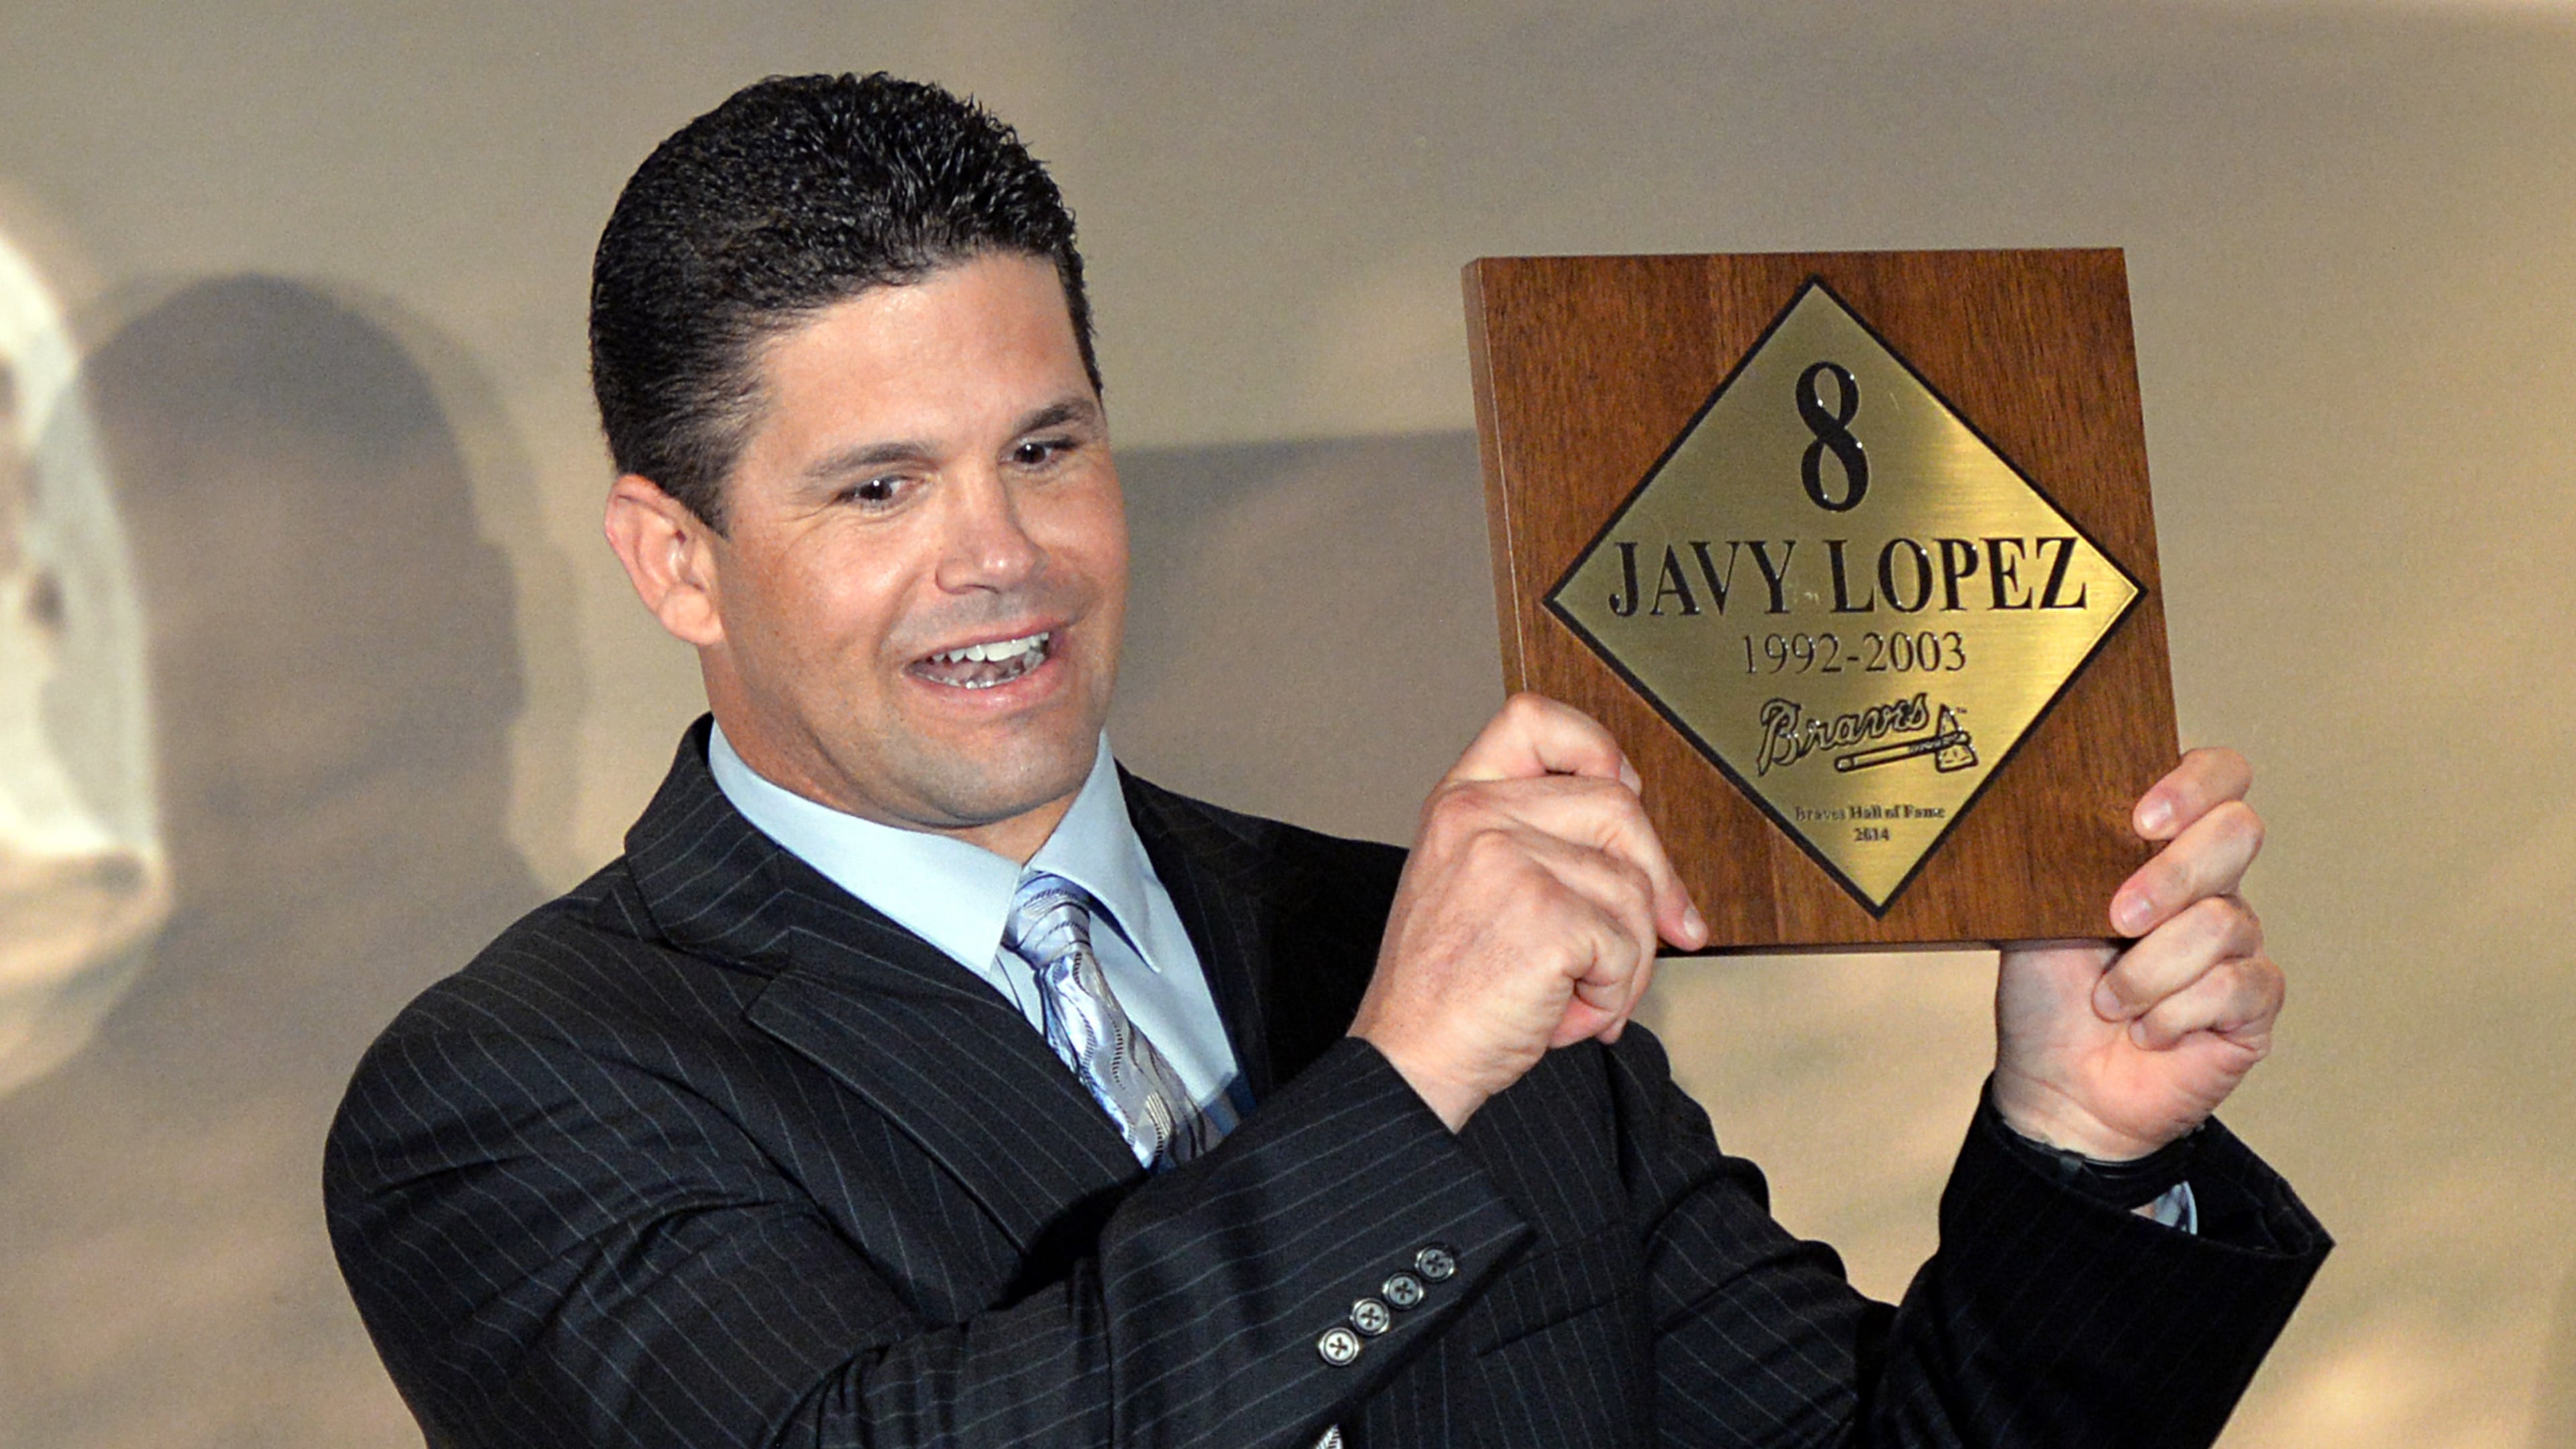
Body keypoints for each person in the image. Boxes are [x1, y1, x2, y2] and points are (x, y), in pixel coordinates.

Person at [325, 72, 2327, 1448]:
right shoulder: (509, 1095)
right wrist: (1408, 1080)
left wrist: (2088, 1146)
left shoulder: (1417, 939)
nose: (1000, 557)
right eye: (877, 485)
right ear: (676, 556)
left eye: (1045, 447)